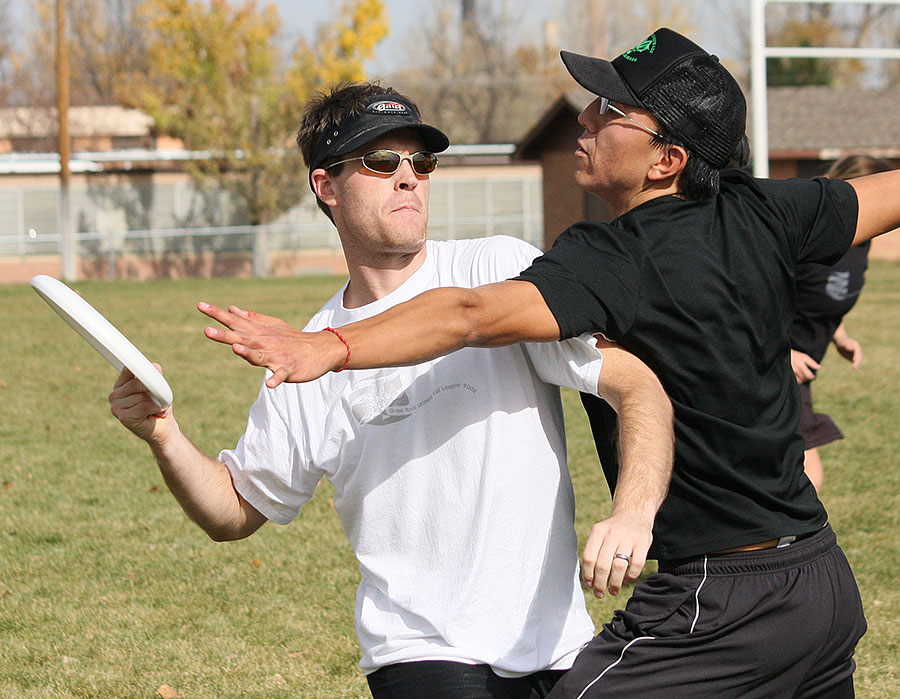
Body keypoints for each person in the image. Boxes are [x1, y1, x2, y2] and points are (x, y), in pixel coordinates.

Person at [200, 29, 900, 697]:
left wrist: (332, 344)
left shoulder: (608, 260)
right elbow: (885, 196)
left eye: (610, 111)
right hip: (820, 578)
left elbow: (469, 314)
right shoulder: (766, 209)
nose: (584, 120)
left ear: (667, 160)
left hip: (716, 600)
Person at [111, 82, 674, 699]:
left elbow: (634, 384)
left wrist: (632, 513)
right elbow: (235, 509)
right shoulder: (304, 355)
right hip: (420, 656)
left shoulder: (501, 272)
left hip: (560, 648)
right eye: (381, 163)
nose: (408, 177)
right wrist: (163, 434)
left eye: (420, 162)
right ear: (326, 186)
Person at [790, 154, 895, 492]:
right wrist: (783, 352)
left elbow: (819, 300)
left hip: (801, 375)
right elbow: (754, 299)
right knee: (807, 478)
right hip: (765, 366)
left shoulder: (861, 242)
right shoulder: (808, 239)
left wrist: (840, 336)